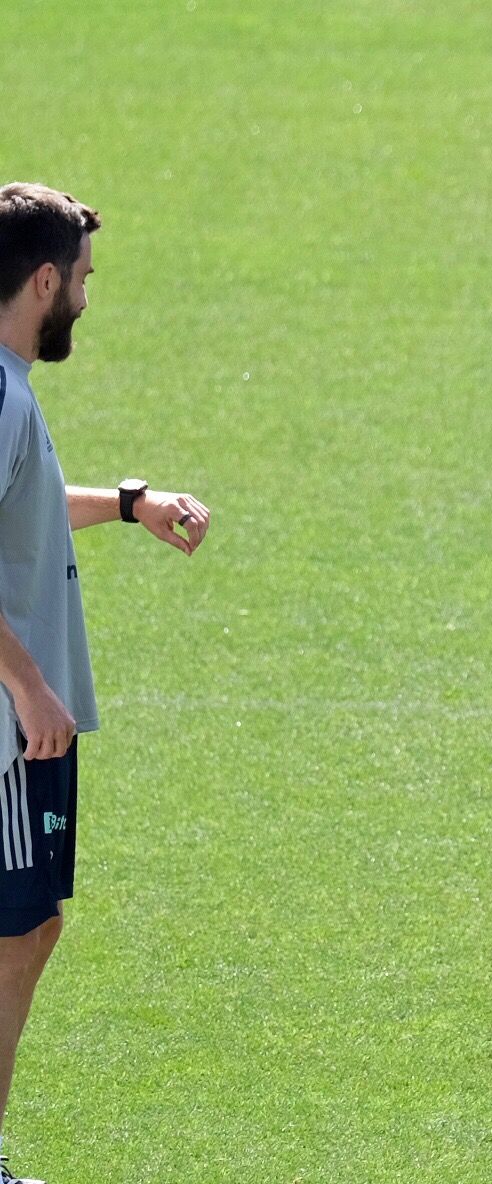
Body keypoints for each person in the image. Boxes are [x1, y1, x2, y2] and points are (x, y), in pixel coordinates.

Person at [0, 183, 211, 1184]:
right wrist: (31, 684)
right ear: (43, 279)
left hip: (23, 724)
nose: (86, 298)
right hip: (8, 729)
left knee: (30, 926)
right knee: (14, 931)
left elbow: (27, 513)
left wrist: (129, 503)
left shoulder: (8, 387)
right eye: (81, 280)